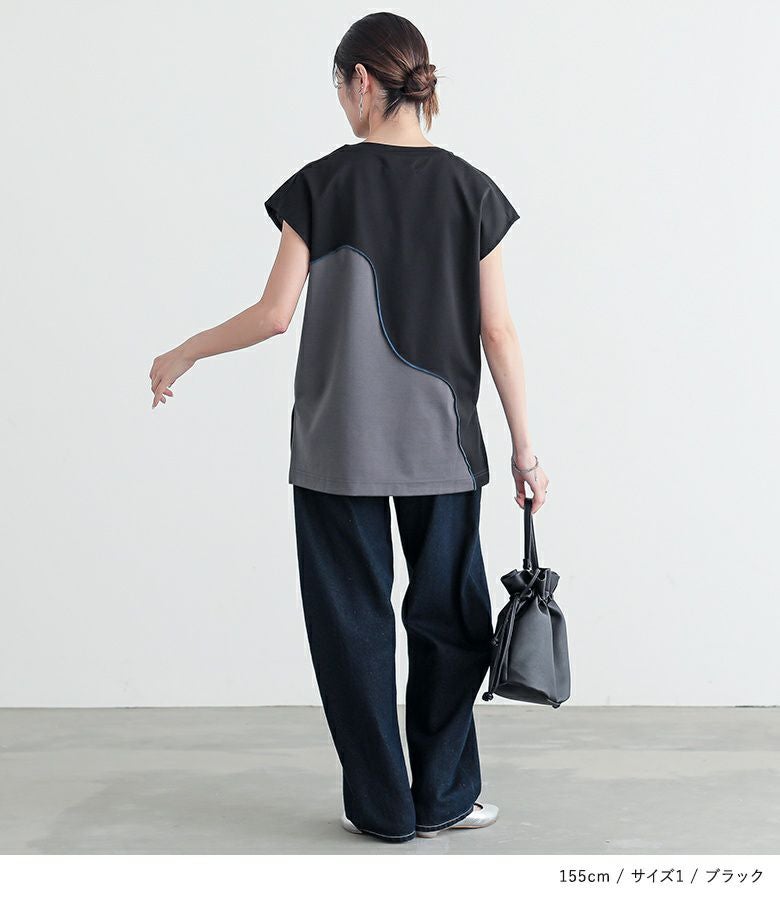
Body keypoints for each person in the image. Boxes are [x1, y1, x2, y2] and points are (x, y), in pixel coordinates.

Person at [148, 11, 549, 845]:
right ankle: (444, 796)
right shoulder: (473, 189)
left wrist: (185, 350)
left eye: (338, 87)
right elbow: (499, 331)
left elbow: (273, 315)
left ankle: (380, 808)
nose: (340, 101)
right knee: (450, 621)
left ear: (361, 81)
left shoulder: (322, 185)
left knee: (351, 628)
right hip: (444, 448)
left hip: (337, 450)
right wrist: (524, 447)